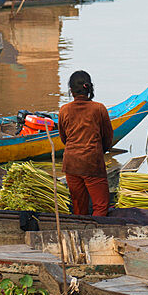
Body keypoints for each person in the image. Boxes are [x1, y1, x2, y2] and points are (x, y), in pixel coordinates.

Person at [59, 71, 113, 217]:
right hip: (92, 163)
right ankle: (96, 234)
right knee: (100, 205)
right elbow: (108, 138)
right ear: (89, 88)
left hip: (71, 163)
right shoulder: (99, 108)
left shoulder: (64, 110)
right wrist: (99, 151)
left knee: (78, 205)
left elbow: (64, 138)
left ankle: (80, 231)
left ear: (71, 90)